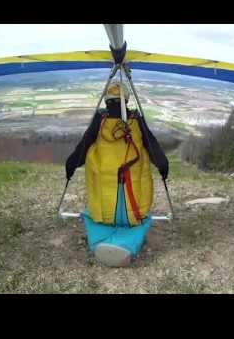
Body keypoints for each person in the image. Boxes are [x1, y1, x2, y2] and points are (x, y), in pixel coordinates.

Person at [65, 82, 169, 266]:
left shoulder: (101, 119)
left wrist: (71, 164)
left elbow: (84, 145)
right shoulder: (136, 119)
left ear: (107, 100)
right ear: (126, 100)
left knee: (101, 217)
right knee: (134, 219)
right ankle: (126, 244)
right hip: (132, 189)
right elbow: (151, 145)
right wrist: (162, 165)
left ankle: (102, 242)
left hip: (105, 189)